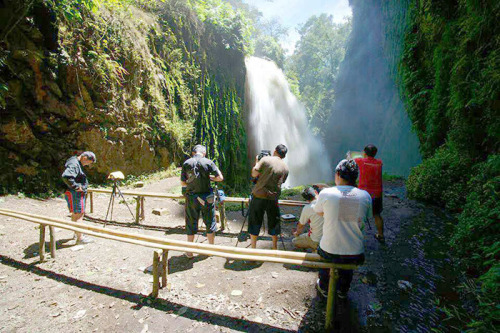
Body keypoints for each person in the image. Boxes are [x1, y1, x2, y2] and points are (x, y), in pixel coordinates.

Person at [314, 159, 372, 300]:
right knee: (348, 261)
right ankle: (343, 290)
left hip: (329, 251)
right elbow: (364, 217)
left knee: (325, 256)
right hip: (355, 253)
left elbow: (319, 212)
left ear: (338, 174)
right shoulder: (365, 196)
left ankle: (324, 287)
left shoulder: (326, 193)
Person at [181, 144, 223, 258]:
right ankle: (211, 249)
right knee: (210, 222)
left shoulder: (187, 163)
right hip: (207, 197)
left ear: (194, 153)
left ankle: (189, 252)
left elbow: (183, 183)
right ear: (204, 153)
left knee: (191, 222)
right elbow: (220, 178)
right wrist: (211, 178)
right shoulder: (208, 162)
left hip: (191, 198)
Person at [248, 144, 289, 249]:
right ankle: (275, 247)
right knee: (274, 221)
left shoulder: (265, 159)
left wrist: (257, 162)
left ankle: (253, 248)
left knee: (255, 220)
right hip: (273, 198)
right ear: (284, 155)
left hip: (259, 195)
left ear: (275, 151)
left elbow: (254, 174)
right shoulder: (285, 167)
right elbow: (282, 181)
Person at [61, 151, 96, 244]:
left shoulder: (74, 162)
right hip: (75, 194)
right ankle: (80, 239)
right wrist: (76, 187)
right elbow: (66, 176)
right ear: (84, 158)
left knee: (75, 214)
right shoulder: (74, 163)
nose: (87, 165)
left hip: (73, 193)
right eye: (88, 162)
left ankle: (77, 233)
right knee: (79, 215)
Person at [352, 144, 384, 242]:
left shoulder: (361, 161)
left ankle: (356, 236)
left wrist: (360, 155)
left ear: (365, 153)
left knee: (359, 215)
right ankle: (381, 235)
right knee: (377, 215)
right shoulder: (379, 163)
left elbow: (352, 158)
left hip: (363, 194)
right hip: (377, 194)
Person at [292, 187, 323, 251]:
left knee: (294, 241)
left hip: (316, 240)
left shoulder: (307, 208)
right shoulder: (326, 203)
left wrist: (297, 233)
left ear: (307, 200)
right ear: (316, 192)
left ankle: (315, 248)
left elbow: (300, 226)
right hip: (329, 239)